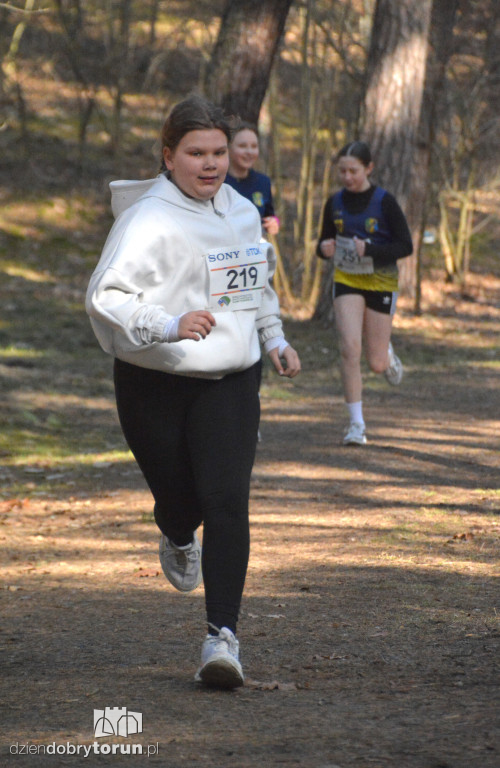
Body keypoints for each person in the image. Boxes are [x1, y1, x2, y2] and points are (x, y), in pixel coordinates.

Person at [86, 95, 301, 689]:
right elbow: (105, 298)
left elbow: (254, 288)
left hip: (231, 378)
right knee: (182, 502)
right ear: (169, 156)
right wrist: (168, 322)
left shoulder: (240, 212)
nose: (210, 165)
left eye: (219, 153)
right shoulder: (145, 219)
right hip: (154, 380)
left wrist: (274, 339)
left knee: (227, 499)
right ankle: (177, 532)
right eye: (196, 153)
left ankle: (222, 640)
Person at [317, 140, 412, 446]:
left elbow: (405, 246)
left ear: (368, 168)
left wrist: (369, 249)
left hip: (381, 282)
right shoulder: (334, 202)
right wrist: (324, 248)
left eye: (353, 171)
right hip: (347, 280)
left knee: (376, 363)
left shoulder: (385, 202)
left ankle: (386, 352)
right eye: (342, 171)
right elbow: (324, 242)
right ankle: (356, 425)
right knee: (348, 348)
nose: (347, 177)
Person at [225, 121, 280, 237]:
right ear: (228, 148)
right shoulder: (217, 183)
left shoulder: (263, 182)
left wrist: (274, 223)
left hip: (254, 250)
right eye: (242, 146)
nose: (249, 152)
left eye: (254, 146)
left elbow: (269, 215)